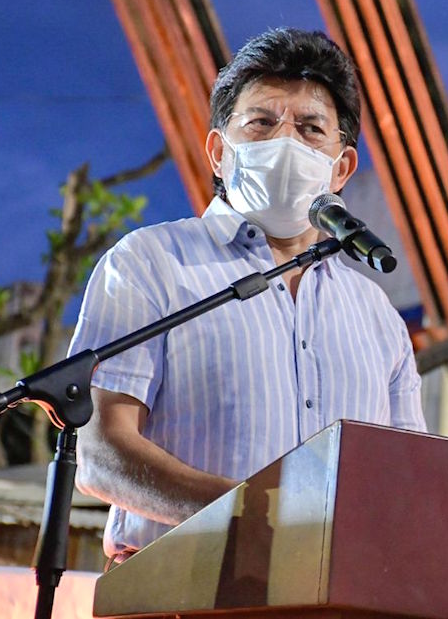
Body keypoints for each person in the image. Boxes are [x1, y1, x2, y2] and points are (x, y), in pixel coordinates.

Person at [70, 28, 426, 563]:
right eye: (262, 122)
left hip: (336, 598)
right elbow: (101, 454)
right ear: (219, 151)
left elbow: (408, 481)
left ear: (342, 167)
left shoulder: (376, 317)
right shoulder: (151, 264)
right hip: (181, 591)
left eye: (310, 129)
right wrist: (247, 519)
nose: (286, 142)